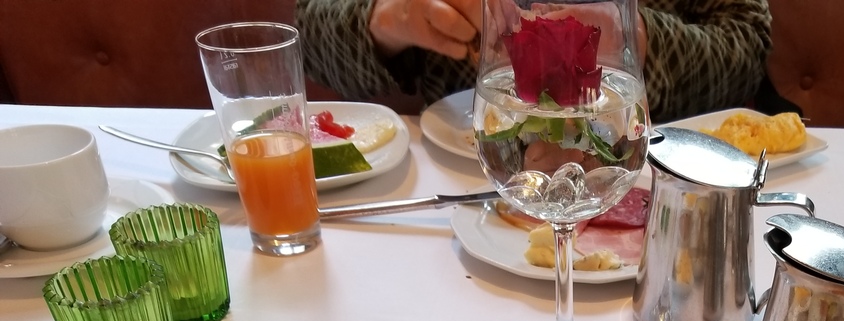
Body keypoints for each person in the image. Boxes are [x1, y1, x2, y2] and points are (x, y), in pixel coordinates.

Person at [296, 0, 771, 123]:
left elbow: (748, 47)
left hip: (645, 182)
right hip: (465, 193)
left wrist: (632, 40)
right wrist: (388, 18)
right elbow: (307, 38)